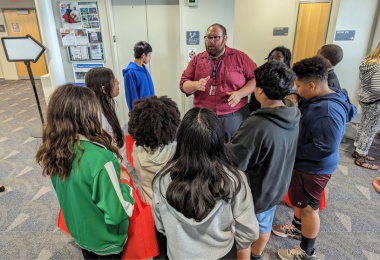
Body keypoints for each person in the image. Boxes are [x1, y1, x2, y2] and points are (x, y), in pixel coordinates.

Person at [36, 84, 134, 259]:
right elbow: (119, 212)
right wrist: (126, 183)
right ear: (87, 115)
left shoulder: (53, 150)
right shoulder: (102, 158)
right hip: (107, 241)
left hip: (81, 233)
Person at [272, 57, 357, 260]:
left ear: (312, 85)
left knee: (311, 209)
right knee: (301, 203)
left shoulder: (328, 112)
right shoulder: (327, 93)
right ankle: (296, 227)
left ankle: (306, 252)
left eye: (298, 86)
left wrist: (290, 152)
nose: (296, 89)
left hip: (314, 168)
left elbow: (324, 148)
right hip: (306, 166)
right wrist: (294, 93)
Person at [152, 107, 259, 260]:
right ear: (218, 140)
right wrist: (237, 244)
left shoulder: (162, 178)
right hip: (222, 254)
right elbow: (250, 231)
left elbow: (160, 225)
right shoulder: (235, 179)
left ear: (181, 139)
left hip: (178, 254)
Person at [227, 61, 300, 260]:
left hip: (256, 192)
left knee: (242, 234)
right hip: (277, 185)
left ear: (259, 90)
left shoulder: (257, 124)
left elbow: (234, 160)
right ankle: (257, 256)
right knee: (265, 224)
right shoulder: (292, 111)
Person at [180, 23, 257, 142]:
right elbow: (184, 84)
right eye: (208, 37)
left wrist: (240, 93)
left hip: (233, 115)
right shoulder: (197, 60)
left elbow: (255, 79)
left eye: (216, 37)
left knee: (231, 153)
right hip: (203, 117)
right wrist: (195, 85)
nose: (211, 41)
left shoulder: (240, 57)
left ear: (225, 39)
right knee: (205, 153)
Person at [128, 95, 181, 259]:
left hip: (149, 210)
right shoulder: (176, 152)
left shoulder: (137, 150)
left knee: (158, 250)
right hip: (173, 211)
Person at [85, 67, 128, 169]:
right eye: (114, 81)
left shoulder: (103, 107)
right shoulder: (98, 116)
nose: (118, 82)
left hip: (118, 164)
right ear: (104, 89)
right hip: (113, 168)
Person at [353, 42, 380, 170]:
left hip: (365, 98)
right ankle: (361, 158)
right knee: (370, 129)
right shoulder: (379, 65)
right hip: (375, 101)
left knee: (364, 125)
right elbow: (377, 88)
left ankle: (358, 150)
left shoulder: (367, 62)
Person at [249, 46, 292, 112]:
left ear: (286, 62)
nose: (273, 60)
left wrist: (294, 94)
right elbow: (253, 101)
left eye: (278, 59)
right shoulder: (261, 75)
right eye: (271, 58)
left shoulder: (286, 80)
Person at [123, 41, 155, 111]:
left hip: (151, 110)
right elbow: (132, 97)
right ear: (143, 55)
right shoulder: (130, 72)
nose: (150, 57)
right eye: (149, 54)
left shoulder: (144, 68)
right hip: (141, 113)